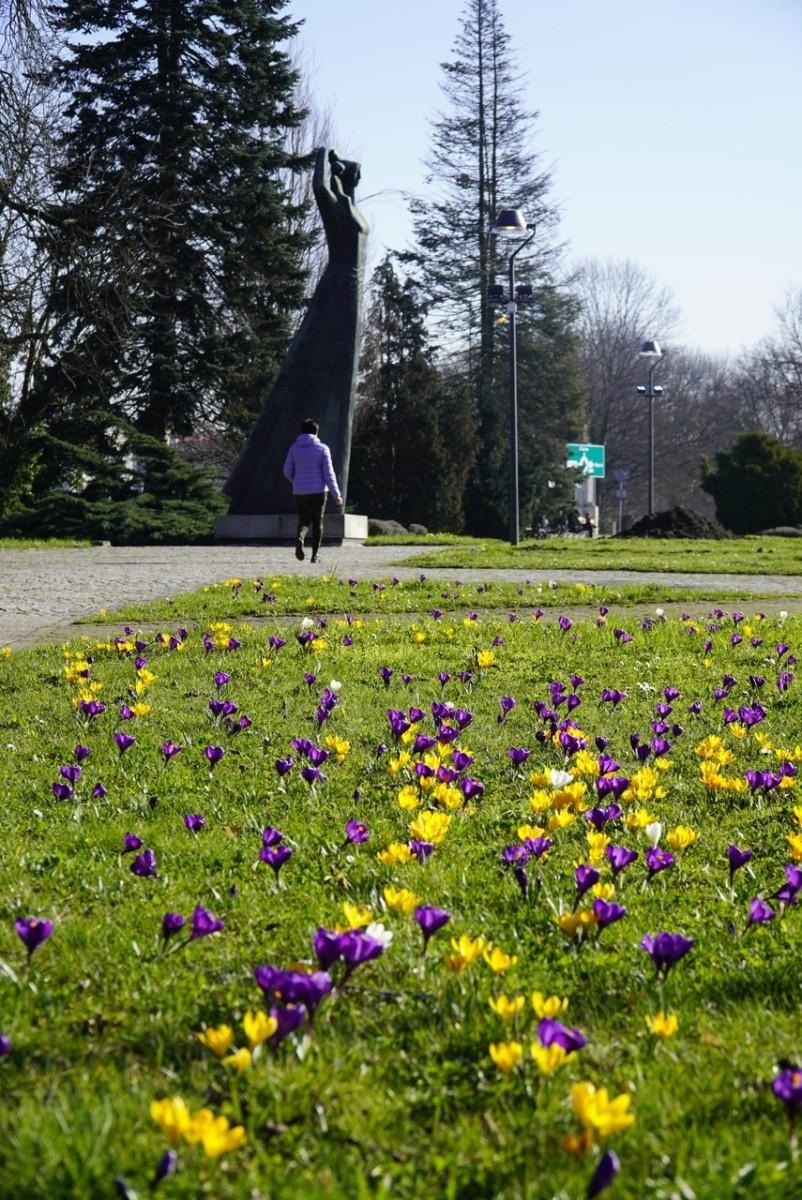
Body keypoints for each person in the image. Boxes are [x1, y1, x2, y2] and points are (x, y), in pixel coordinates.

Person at [282, 418, 343, 564]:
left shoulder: (294, 448)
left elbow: (286, 471)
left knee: (303, 520)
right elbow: (329, 474)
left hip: (300, 491)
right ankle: (314, 556)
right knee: (317, 522)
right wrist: (337, 495)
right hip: (319, 491)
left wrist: (296, 481)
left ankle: (300, 538)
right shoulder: (322, 449)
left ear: (302, 431)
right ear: (316, 431)